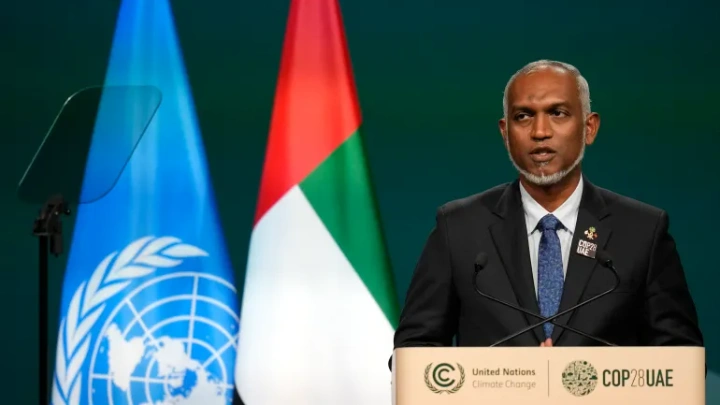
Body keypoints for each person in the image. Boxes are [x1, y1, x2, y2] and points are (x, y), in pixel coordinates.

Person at [391, 60, 703, 358]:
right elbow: (415, 350)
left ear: (589, 127)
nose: (540, 131)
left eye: (558, 113)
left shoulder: (642, 231)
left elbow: (680, 358)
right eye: (523, 116)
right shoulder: (458, 228)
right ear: (505, 133)